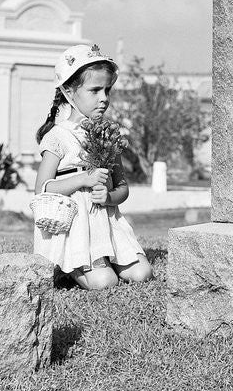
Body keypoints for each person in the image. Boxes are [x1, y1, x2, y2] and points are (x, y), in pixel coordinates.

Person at [34, 43, 153, 291]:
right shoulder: (58, 137)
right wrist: (83, 180)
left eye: (107, 90)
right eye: (95, 90)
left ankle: (107, 258)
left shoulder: (107, 135)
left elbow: (122, 187)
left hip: (106, 223)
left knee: (142, 273)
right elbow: (42, 190)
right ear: (68, 91)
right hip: (75, 228)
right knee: (105, 282)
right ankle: (70, 267)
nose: (104, 99)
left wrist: (109, 197)